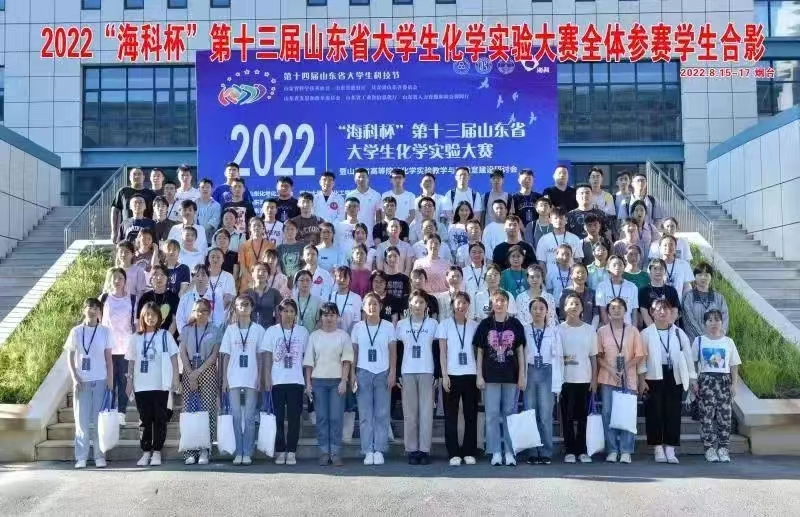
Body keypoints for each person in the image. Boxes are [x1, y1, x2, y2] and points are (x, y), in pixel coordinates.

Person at [639, 298, 697, 464]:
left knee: (673, 412)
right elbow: (641, 359)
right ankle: (657, 447)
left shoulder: (679, 332)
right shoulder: (645, 334)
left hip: (675, 376)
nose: (662, 312)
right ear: (652, 312)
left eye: (666, 309)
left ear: (671, 312)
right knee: (654, 412)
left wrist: (693, 379)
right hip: (653, 376)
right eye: (658, 309)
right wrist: (641, 380)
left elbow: (688, 355)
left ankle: (670, 448)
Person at [474, 290, 526, 466]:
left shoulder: (515, 324)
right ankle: (495, 451)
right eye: (496, 301)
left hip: (511, 376)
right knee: (492, 415)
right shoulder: (485, 324)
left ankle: (509, 451)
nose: (499, 304)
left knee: (509, 414)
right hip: (490, 376)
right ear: (492, 303)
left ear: (507, 303)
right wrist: (479, 375)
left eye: (503, 300)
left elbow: (520, 351)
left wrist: (522, 375)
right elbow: (480, 352)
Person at [125, 301, 180, 467]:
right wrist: (129, 381)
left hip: (160, 385)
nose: (150, 318)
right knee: (144, 420)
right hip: (141, 385)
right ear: (142, 316)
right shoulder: (135, 337)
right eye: (147, 315)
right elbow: (131, 361)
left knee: (160, 418)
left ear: (159, 317)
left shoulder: (165, 335)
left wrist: (175, 378)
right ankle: (146, 451)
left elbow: (174, 358)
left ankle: (157, 452)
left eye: (154, 315)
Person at [596, 297, 645, 464]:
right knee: (607, 413)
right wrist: (611, 369)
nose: (616, 310)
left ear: (625, 311)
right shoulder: (602, 331)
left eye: (619, 308)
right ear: (608, 312)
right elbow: (598, 356)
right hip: (608, 377)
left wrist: (624, 368)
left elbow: (639, 355)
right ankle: (611, 449)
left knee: (627, 414)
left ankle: (626, 450)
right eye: (613, 308)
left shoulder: (633, 331)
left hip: (628, 378)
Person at [304, 302, 353, 467]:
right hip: (318, 382)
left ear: (337, 317)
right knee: (322, 418)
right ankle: (324, 452)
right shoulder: (314, 336)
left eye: (332, 315)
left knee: (336, 418)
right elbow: (309, 362)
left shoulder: (343, 336)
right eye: (326, 315)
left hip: (337, 382)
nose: (329, 318)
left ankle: (336, 453)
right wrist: (308, 384)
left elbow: (346, 361)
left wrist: (344, 381)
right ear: (321, 318)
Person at [351, 292, 398, 466]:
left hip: (383, 373)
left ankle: (379, 449)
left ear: (380, 307)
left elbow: (393, 352)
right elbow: (354, 353)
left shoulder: (388, 326)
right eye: (369, 304)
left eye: (375, 304)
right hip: (363, 372)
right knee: (365, 415)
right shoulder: (357, 328)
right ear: (364, 307)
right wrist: (352, 374)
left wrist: (392, 373)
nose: (372, 307)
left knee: (382, 414)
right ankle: (367, 450)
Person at [263, 298, 310, 466]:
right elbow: (267, 356)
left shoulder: (303, 332)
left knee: (294, 418)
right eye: (285, 311)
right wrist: (267, 377)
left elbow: (307, 359)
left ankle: (291, 451)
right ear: (279, 313)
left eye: (291, 311)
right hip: (277, 381)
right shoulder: (271, 331)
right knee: (278, 418)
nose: (288, 314)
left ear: (295, 314)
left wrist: (308, 381)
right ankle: (280, 450)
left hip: (296, 381)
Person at [67, 298, 113, 469]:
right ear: (83, 309)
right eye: (89, 307)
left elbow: (109, 359)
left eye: (96, 308)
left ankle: (99, 456)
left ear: (100, 312)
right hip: (82, 381)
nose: (92, 310)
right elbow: (70, 357)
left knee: (99, 421)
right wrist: (75, 378)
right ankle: (81, 457)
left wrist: (110, 380)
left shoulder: (105, 332)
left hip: (100, 380)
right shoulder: (76, 331)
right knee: (81, 421)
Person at [221, 294, 266, 466]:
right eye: (240, 305)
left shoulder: (259, 330)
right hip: (233, 378)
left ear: (252, 308)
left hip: (251, 378)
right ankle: (238, 451)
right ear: (235, 308)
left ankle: (247, 452)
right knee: (236, 416)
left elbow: (260, 356)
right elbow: (225, 356)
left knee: (248, 417)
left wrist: (260, 378)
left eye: (247, 304)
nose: (243, 307)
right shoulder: (230, 330)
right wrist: (224, 379)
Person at [692, 309, 740, 463]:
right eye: (710, 320)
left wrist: (734, 384)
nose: (714, 323)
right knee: (706, 416)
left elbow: (734, 365)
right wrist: (694, 382)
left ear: (722, 322)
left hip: (724, 381)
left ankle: (723, 448)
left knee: (725, 417)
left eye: (717, 319)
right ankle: (709, 448)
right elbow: (693, 363)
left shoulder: (728, 342)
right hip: (706, 381)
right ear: (705, 323)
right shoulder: (699, 341)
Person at [396, 290, 439, 465]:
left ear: (426, 305)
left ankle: (424, 450)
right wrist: (397, 373)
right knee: (410, 413)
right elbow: (398, 351)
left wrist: (438, 373)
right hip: (407, 371)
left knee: (426, 412)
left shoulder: (433, 324)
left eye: (421, 302)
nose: (418, 305)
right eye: (415, 302)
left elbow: (436, 350)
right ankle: (412, 449)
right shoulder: (401, 325)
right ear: (410, 304)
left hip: (427, 370)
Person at [178, 298, 222, 466]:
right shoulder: (187, 329)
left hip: (207, 370)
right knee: (189, 410)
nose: (201, 313)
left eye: (204, 310)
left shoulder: (214, 330)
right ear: (193, 312)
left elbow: (214, 355)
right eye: (198, 310)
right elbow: (182, 352)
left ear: (209, 312)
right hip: (189, 370)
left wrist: (199, 371)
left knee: (207, 410)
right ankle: (190, 450)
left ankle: (205, 449)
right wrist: (191, 373)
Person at [438, 291, 479, 466]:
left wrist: (479, 374)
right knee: (451, 415)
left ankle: (469, 451)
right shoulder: (444, 325)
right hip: (451, 375)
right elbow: (442, 352)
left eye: (464, 302)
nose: (461, 306)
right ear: (452, 305)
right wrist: (444, 375)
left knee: (471, 414)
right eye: (458, 302)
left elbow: (479, 352)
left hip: (471, 374)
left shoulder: (474, 326)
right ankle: (453, 452)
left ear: (469, 305)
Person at [522, 297, 564, 465]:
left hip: (547, 371)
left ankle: (546, 451)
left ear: (547, 311)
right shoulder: (524, 330)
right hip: (530, 371)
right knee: (530, 412)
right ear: (529, 311)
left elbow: (559, 356)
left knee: (545, 415)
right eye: (535, 308)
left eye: (541, 308)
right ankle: (532, 451)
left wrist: (559, 380)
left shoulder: (553, 331)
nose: (538, 311)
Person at [558, 294, 599, 463]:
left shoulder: (589, 330)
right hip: (565, 379)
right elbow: (556, 355)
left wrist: (594, 379)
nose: (574, 306)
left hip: (584, 379)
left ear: (582, 308)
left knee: (583, 418)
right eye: (570, 304)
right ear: (564, 308)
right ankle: (569, 450)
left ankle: (582, 450)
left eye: (577, 304)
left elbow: (593, 356)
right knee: (567, 417)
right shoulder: (558, 329)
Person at [100, 268, 136, 426]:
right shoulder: (104, 298)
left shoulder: (132, 299)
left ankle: (121, 412)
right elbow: (99, 322)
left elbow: (135, 323)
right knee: (110, 381)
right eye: (114, 278)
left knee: (124, 381)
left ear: (125, 280)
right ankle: (109, 411)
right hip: (107, 347)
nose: (117, 281)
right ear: (110, 280)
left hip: (126, 347)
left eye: (120, 278)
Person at [682, 262, 730, 343]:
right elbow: (689, 322)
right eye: (700, 275)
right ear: (694, 276)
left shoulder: (719, 298)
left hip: (716, 342)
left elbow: (725, 319)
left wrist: (718, 336)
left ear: (711, 277)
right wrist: (704, 339)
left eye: (706, 275)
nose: (703, 278)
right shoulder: (688, 297)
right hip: (695, 342)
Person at [176, 264, 226, 331]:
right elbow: (179, 320)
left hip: (210, 335)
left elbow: (219, 320)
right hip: (189, 334)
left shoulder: (216, 297)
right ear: (193, 278)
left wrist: (209, 335)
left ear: (209, 277)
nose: (200, 278)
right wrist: (186, 334)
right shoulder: (185, 298)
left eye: (203, 275)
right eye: (197, 275)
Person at [111, 167, 155, 242]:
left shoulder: (151, 193)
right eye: (134, 174)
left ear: (143, 177)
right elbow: (115, 211)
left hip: (146, 233)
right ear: (130, 177)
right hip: (127, 230)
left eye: (139, 174)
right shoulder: (123, 192)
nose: (137, 176)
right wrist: (114, 231)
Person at [596, 255, 640, 326]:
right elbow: (603, 311)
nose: (617, 267)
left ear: (624, 267)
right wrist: (611, 329)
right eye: (614, 265)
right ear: (608, 267)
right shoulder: (601, 286)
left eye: (620, 265)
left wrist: (633, 328)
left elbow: (634, 312)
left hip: (627, 328)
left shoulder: (632, 287)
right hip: (608, 328)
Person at [136, 265, 179, 335]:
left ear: (167, 278)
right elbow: (139, 321)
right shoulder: (145, 297)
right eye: (156, 275)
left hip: (167, 336)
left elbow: (174, 322)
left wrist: (166, 338)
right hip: (148, 337)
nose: (159, 278)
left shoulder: (174, 297)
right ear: (151, 279)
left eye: (162, 275)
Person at [638, 258, 682, 328]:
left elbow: (675, 311)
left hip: (669, 329)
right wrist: (654, 330)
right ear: (650, 271)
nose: (658, 271)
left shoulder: (672, 290)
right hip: (650, 329)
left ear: (665, 271)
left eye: (661, 269)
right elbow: (644, 313)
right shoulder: (643, 291)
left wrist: (667, 327)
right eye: (655, 268)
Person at [346, 168, 382, 243]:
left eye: (363, 177)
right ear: (355, 179)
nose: (361, 179)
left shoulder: (376, 195)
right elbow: (347, 216)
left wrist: (377, 235)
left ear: (368, 178)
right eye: (359, 177)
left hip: (370, 236)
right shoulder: (350, 195)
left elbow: (379, 218)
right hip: (353, 235)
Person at [559, 263, 599, 327]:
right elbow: (562, 315)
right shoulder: (565, 293)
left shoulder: (592, 293)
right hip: (569, 329)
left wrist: (592, 329)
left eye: (583, 272)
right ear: (571, 276)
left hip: (588, 329)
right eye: (577, 272)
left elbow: (596, 314)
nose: (580, 275)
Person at [244, 262, 282, 328]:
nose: (261, 273)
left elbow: (278, 316)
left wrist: (276, 330)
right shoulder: (246, 293)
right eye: (258, 270)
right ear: (252, 274)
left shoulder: (275, 293)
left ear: (268, 275)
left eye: (264, 271)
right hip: (251, 330)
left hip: (269, 330)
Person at [237, 217, 269, 292]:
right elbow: (242, 266)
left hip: (265, 282)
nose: (256, 228)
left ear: (263, 229)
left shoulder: (270, 245)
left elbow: (271, 266)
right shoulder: (243, 246)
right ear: (250, 228)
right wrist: (252, 280)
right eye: (254, 225)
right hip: (247, 283)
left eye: (259, 225)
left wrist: (261, 281)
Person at [328, 266, 363, 333]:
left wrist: (346, 335)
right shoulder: (330, 296)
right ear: (335, 278)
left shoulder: (356, 298)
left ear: (350, 279)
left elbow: (356, 321)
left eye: (345, 277)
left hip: (349, 335)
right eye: (340, 276)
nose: (342, 280)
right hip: (332, 334)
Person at [207, 247, 237, 312]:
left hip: (221, 312)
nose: (215, 259)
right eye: (212, 257)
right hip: (204, 312)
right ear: (208, 259)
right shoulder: (203, 275)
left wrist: (216, 312)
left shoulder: (228, 276)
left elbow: (228, 297)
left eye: (218, 257)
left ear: (223, 259)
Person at [277, 220, 305, 286]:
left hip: (299, 280)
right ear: (283, 231)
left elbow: (305, 264)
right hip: (283, 281)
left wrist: (300, 276)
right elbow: (278, 265)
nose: (290, 232)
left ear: (296, 231)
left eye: (292, 229)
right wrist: (282, 277)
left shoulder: (302, 246)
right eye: (287, 229)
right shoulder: (279, 248)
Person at [196, 178, 221, 246]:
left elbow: (214, 222)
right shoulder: (194, 203)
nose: (205, 189)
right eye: (202, 187)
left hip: (209, 240)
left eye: (208, 187)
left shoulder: (216, 205)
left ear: (212, 190)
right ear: (199, 189)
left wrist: (199, 231)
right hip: (194, 239)